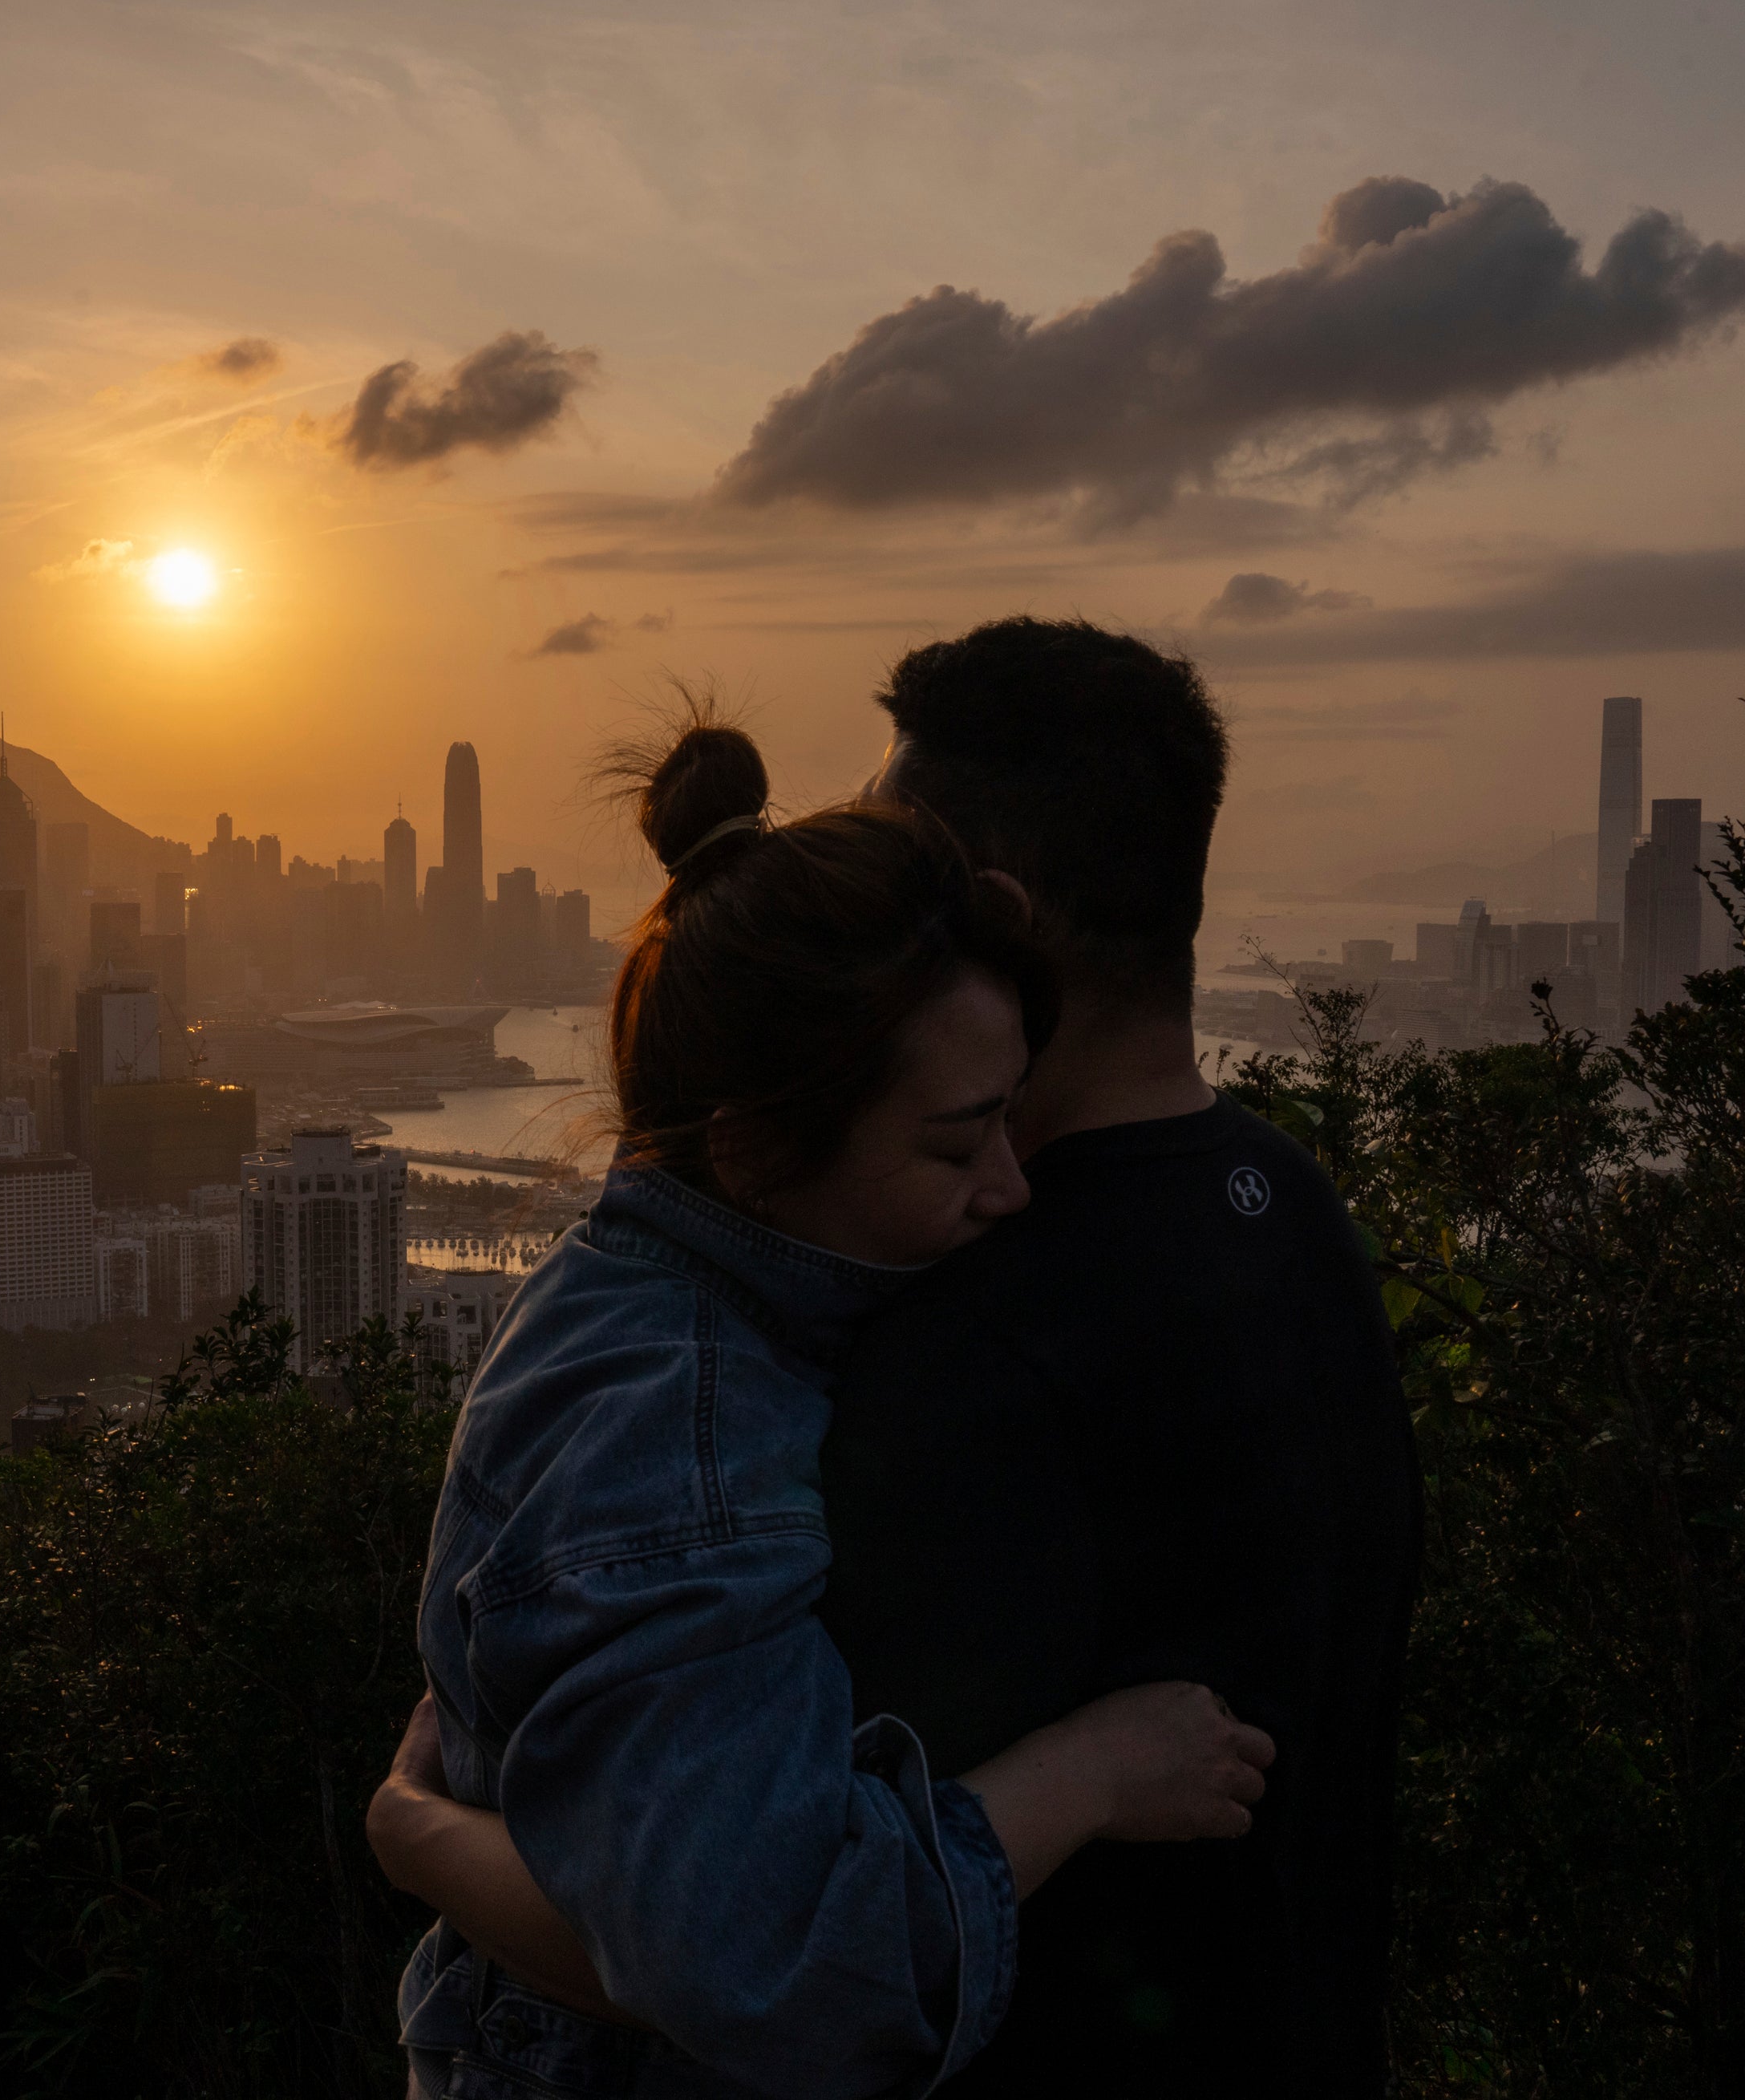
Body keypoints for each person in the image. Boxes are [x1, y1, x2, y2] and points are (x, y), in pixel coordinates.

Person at [376, 620, 1421, 2094]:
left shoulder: (951, 1334)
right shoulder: (1296, 1218)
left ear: (992, 903)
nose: (999, 1183)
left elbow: (748, 1957)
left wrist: (421, 1840)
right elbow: (754, 1927)